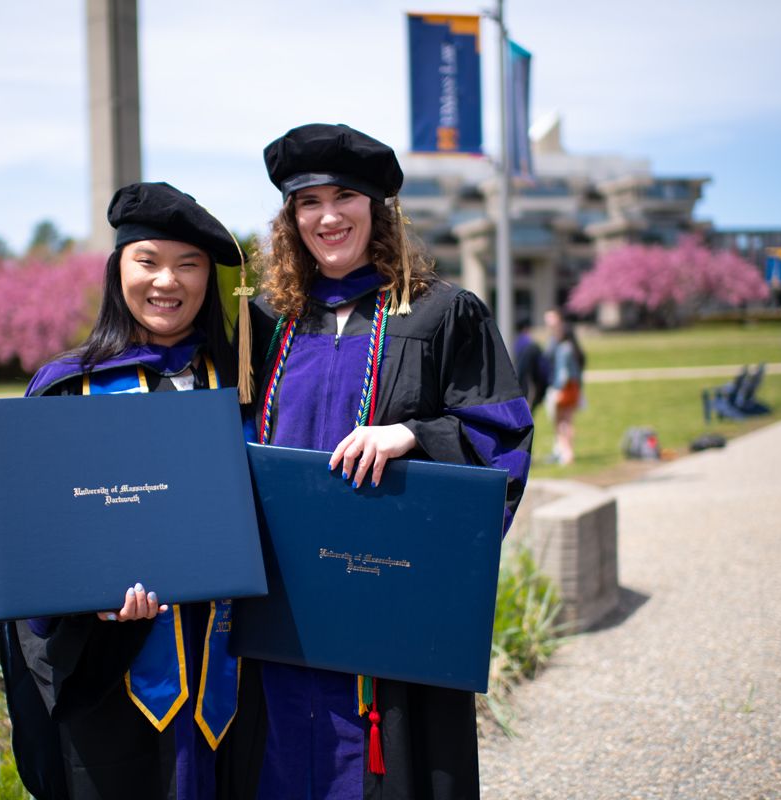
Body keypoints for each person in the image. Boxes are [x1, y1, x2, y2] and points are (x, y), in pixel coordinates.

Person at [231, 123, 534, 800]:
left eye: (345, 196)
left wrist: (415, 436)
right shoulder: (263, 321)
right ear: (290, 217)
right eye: (308, 201)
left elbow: (501, 436)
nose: (327, 215)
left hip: (391, 601)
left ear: (379, 209)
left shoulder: (442, 314)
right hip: (281, 602)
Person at [0, 181, 249, 800]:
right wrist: (89, 600)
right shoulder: (65, 390)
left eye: (189, 265)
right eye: (148, 261)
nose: (168, 281)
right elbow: (37, 544)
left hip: (239, 677)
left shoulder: (247, 383)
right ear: (118, 272)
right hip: (113, 679)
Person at [544, 307, 586, 465]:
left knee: (562, 422)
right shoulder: (572, 347)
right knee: (567, 421)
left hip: (564, 389)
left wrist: (557, 390)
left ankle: (566, 453)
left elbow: (563, 373)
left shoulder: (563, 348)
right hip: (573, 388)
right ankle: (566, 452)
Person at [511, 312, 549, 412]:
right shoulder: (531, 345)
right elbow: (542, 370)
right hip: (529, 389)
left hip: (517, 389)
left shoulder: (516, 343)